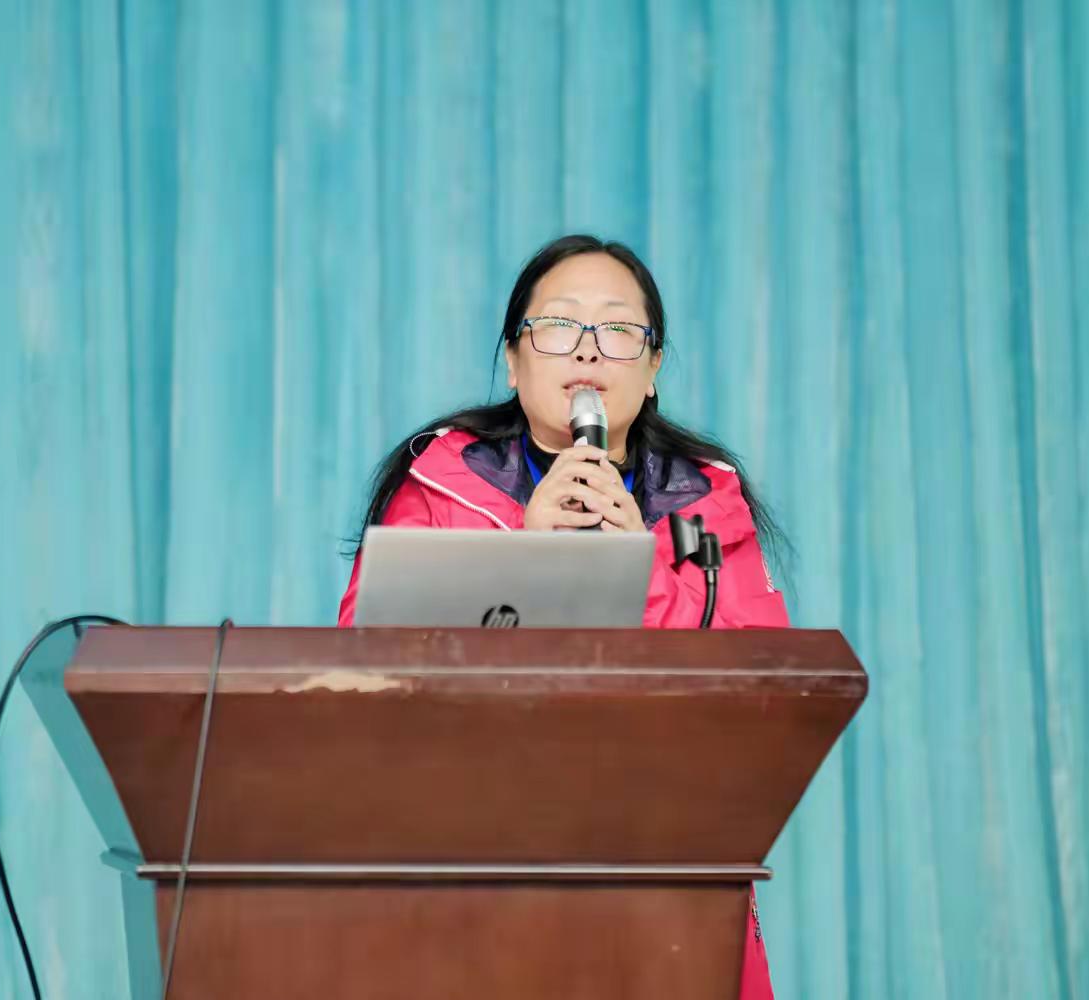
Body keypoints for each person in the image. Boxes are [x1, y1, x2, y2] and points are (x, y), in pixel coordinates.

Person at [337, 234, 789, 999]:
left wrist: (641, 574)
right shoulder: (437, 490)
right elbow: (362, 677)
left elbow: (769, 703)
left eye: (618, 328)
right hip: (475, 893)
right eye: (557, 325)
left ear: (652, 369)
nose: (588, 349)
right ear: (514, 362)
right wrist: (522, 557)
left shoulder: (710, 509)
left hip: (664, 893)